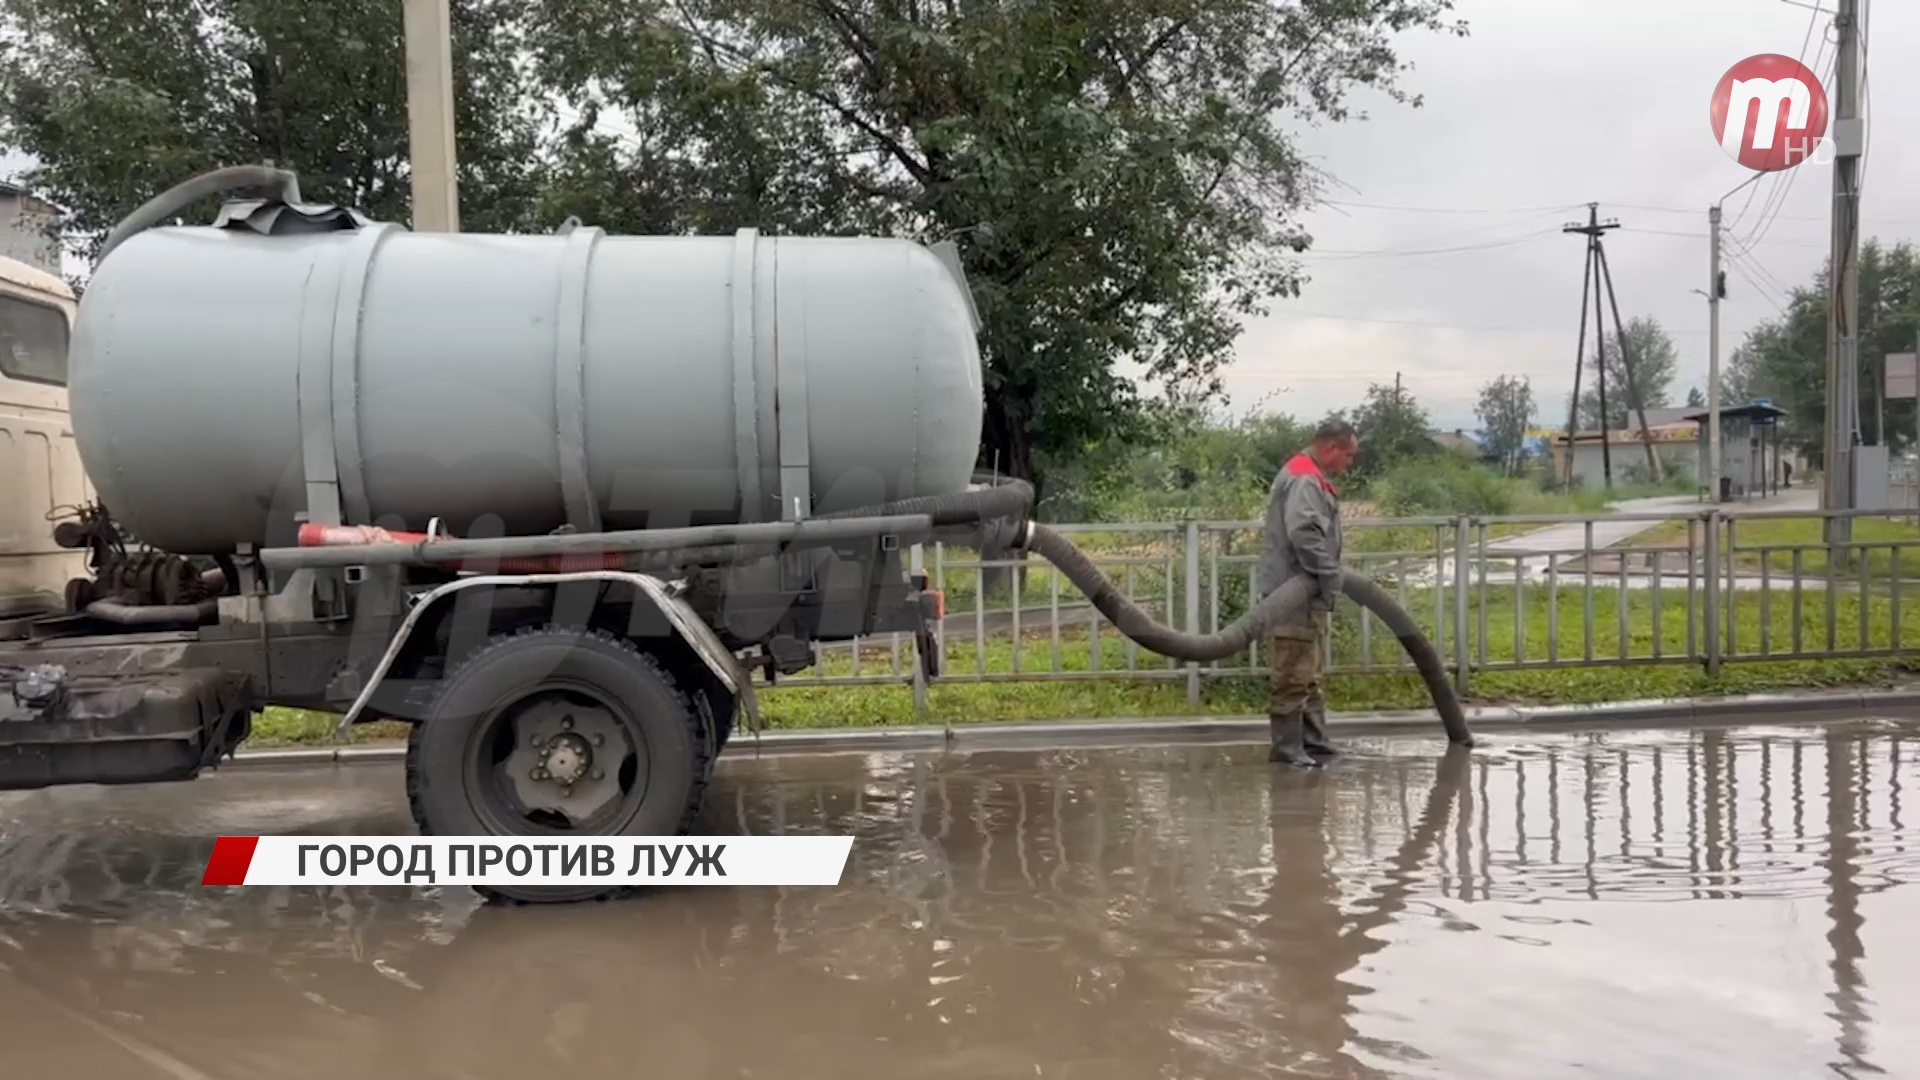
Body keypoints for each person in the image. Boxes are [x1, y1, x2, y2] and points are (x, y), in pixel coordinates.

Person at [1258, 419, 1359, 767]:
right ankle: (1288, 753)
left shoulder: (1309, 474)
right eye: (1348, 455)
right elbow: (1304, 532)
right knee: (1292, 675)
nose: (1350, 463)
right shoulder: (1304, 478)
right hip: (1292, 596)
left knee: (1308, 675)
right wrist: (1330, 575)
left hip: (1303, 594)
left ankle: (1315, 746)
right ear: (1330, 448)